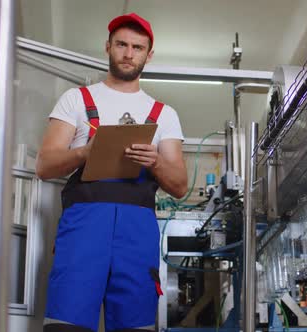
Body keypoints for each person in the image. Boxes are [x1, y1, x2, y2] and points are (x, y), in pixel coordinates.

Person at [36, 13, 187, 332]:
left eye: (137, 47)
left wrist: (155, 161)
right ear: (108, 47)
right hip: (83, 227)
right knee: (66, 325)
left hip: (137, 231)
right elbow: (44, 166)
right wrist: (85, 152)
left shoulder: (165, 115)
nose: (128, 53)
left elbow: (179, 186)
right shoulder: (76, 100)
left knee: (136, 325)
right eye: (121, 44)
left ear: (149, 54)